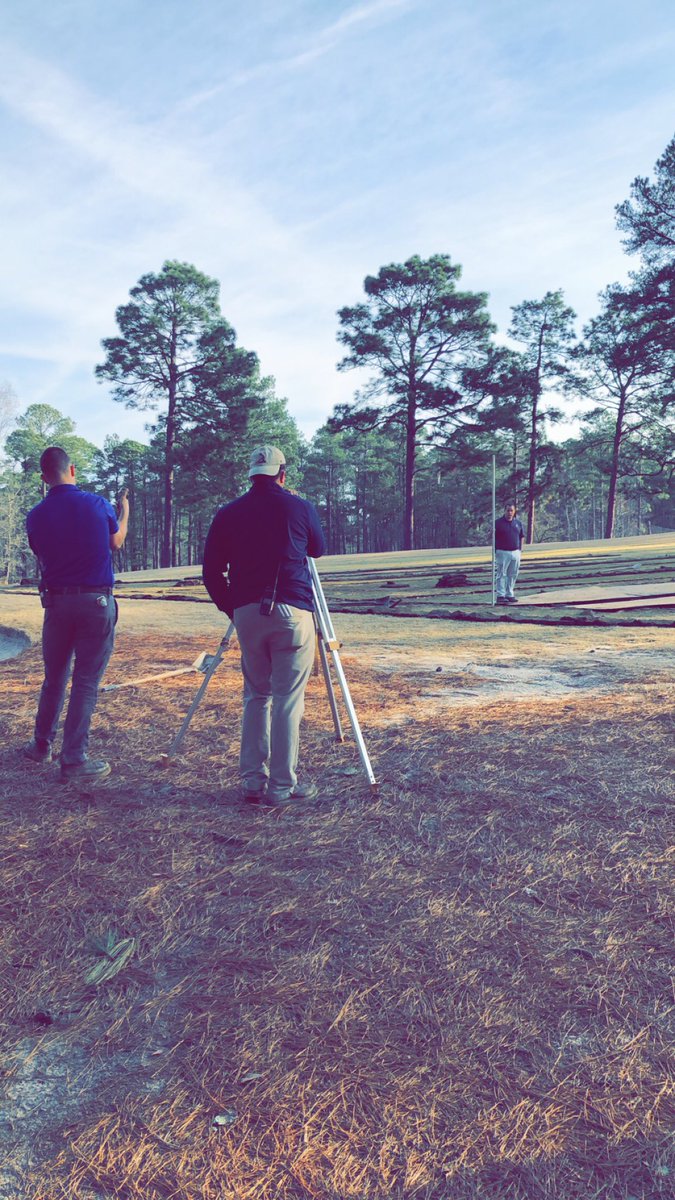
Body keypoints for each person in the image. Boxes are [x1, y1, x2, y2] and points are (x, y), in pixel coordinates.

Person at [202, 445, 326, 806]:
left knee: (257, 696)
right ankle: (282, 786)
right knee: (287, 699)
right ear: (282, 474)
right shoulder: (298, 506)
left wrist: (233, 609)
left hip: (247, 613)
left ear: (251, 474)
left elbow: (211, 572)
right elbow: (317, 549)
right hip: (293, 611)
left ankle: (252, 783)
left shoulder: (228, 513)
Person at [23, 446, 129, 782]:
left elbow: (42, 552)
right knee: (84, 682)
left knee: (54, 677)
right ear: (73, 470)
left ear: (44, 477)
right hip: (95, 602)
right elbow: (116, 542)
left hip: (55, 603)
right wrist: (124, 513)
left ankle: (41, 745)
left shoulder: (35, 515)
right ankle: (73, 760)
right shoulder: (97, 504)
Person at [494, 502, 525, 604]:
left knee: (513, 574)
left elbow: (521, 537)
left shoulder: (518, 523)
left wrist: (520, 550)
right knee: (501, 574)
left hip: (515, 552)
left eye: (511, 510)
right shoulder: (498, 523)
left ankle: (509, 594)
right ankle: (500, 595)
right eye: (508, 510)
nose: (510, 512)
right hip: (502, 552)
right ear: (504, 511)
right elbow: (492, 537)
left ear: (514, 511)